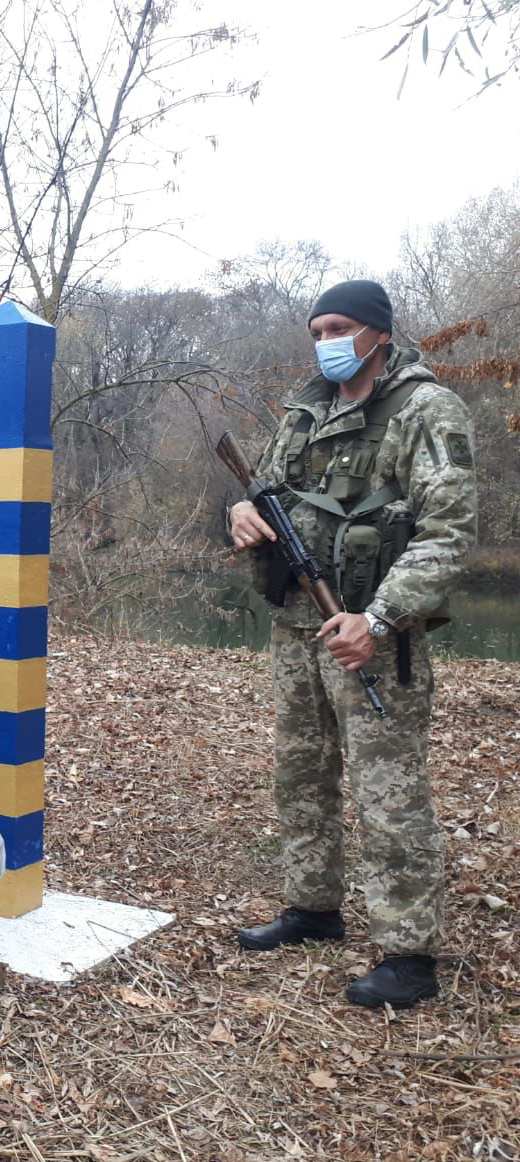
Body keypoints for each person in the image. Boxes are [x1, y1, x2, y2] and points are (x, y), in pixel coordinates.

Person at [228, 279, 477, 1009]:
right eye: (315, 329)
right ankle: (312, 909)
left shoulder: (426, 409)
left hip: (375, 635)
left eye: (337, 326)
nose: (325, 340)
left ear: (376, 331)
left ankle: (407, 953)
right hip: (297, 627)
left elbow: (447, 531)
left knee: (387, 791)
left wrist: (379, 619)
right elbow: (265, 487)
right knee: (300, 774)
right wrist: (241, 509)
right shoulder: (304, 409)